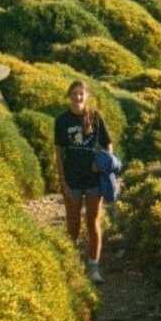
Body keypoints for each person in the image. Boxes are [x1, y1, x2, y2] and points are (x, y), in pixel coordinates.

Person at [54, 80, 113, 284]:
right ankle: (71, 266)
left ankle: (93, 267)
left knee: (93, 223)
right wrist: (63, 182)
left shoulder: (96, 118)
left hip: (94, 180)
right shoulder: (61, 121)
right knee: (72, 225)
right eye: (74, 94)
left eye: (81, 94)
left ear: (86, 96)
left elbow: (108, 144)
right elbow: (59, 154)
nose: (78, 97)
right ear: (69, 96)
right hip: (72, 180)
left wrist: (104, 164)